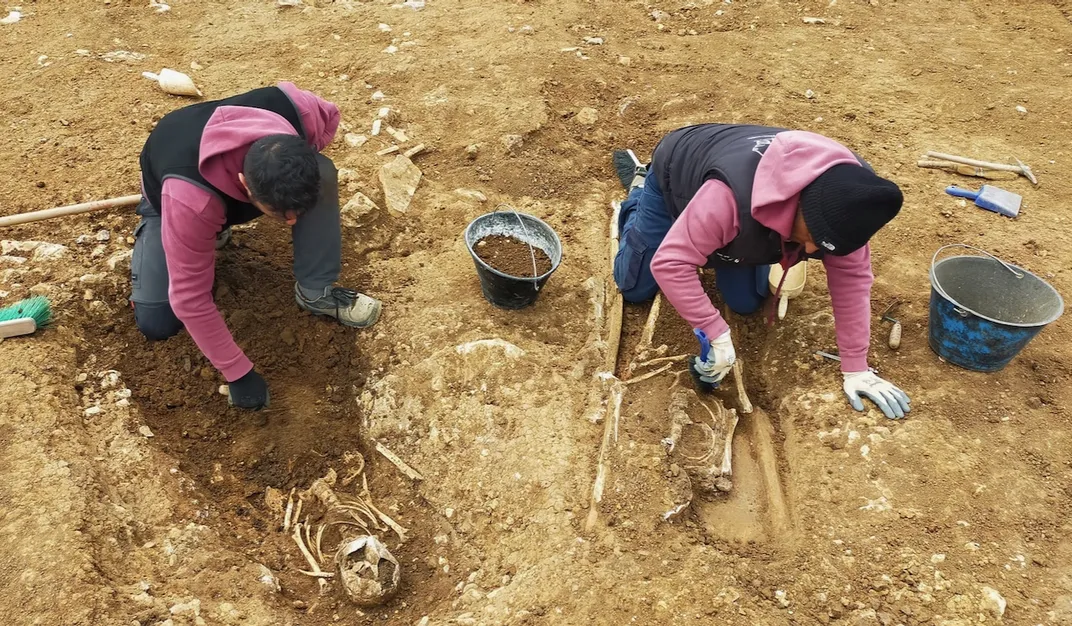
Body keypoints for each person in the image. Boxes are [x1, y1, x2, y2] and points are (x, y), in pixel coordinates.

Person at [613, 123, 911, 419]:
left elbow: (852, 282)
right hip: (678, 176)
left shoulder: (854, 207)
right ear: (800, 204)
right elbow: (670, 263)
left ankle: (715, 238)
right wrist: (714, 332)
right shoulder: (728, 198)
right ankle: (639, 191)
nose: (809, 252)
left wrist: (856, 367)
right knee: (634, 287)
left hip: (747, 213)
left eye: (821, 245)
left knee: (744, 303)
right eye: (810, 237)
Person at [131, 82, 381, 411]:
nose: (293, 223)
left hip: (222, 190)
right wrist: (237, 373)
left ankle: (315, 290)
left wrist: (302, 189)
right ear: (244, 184)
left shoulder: (299, 110)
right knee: (157, 321)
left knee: (323, 173)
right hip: (175, 197)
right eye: (281, 215)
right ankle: (189, 234)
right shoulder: (189, 201)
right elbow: (190, 299)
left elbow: (329, 121)